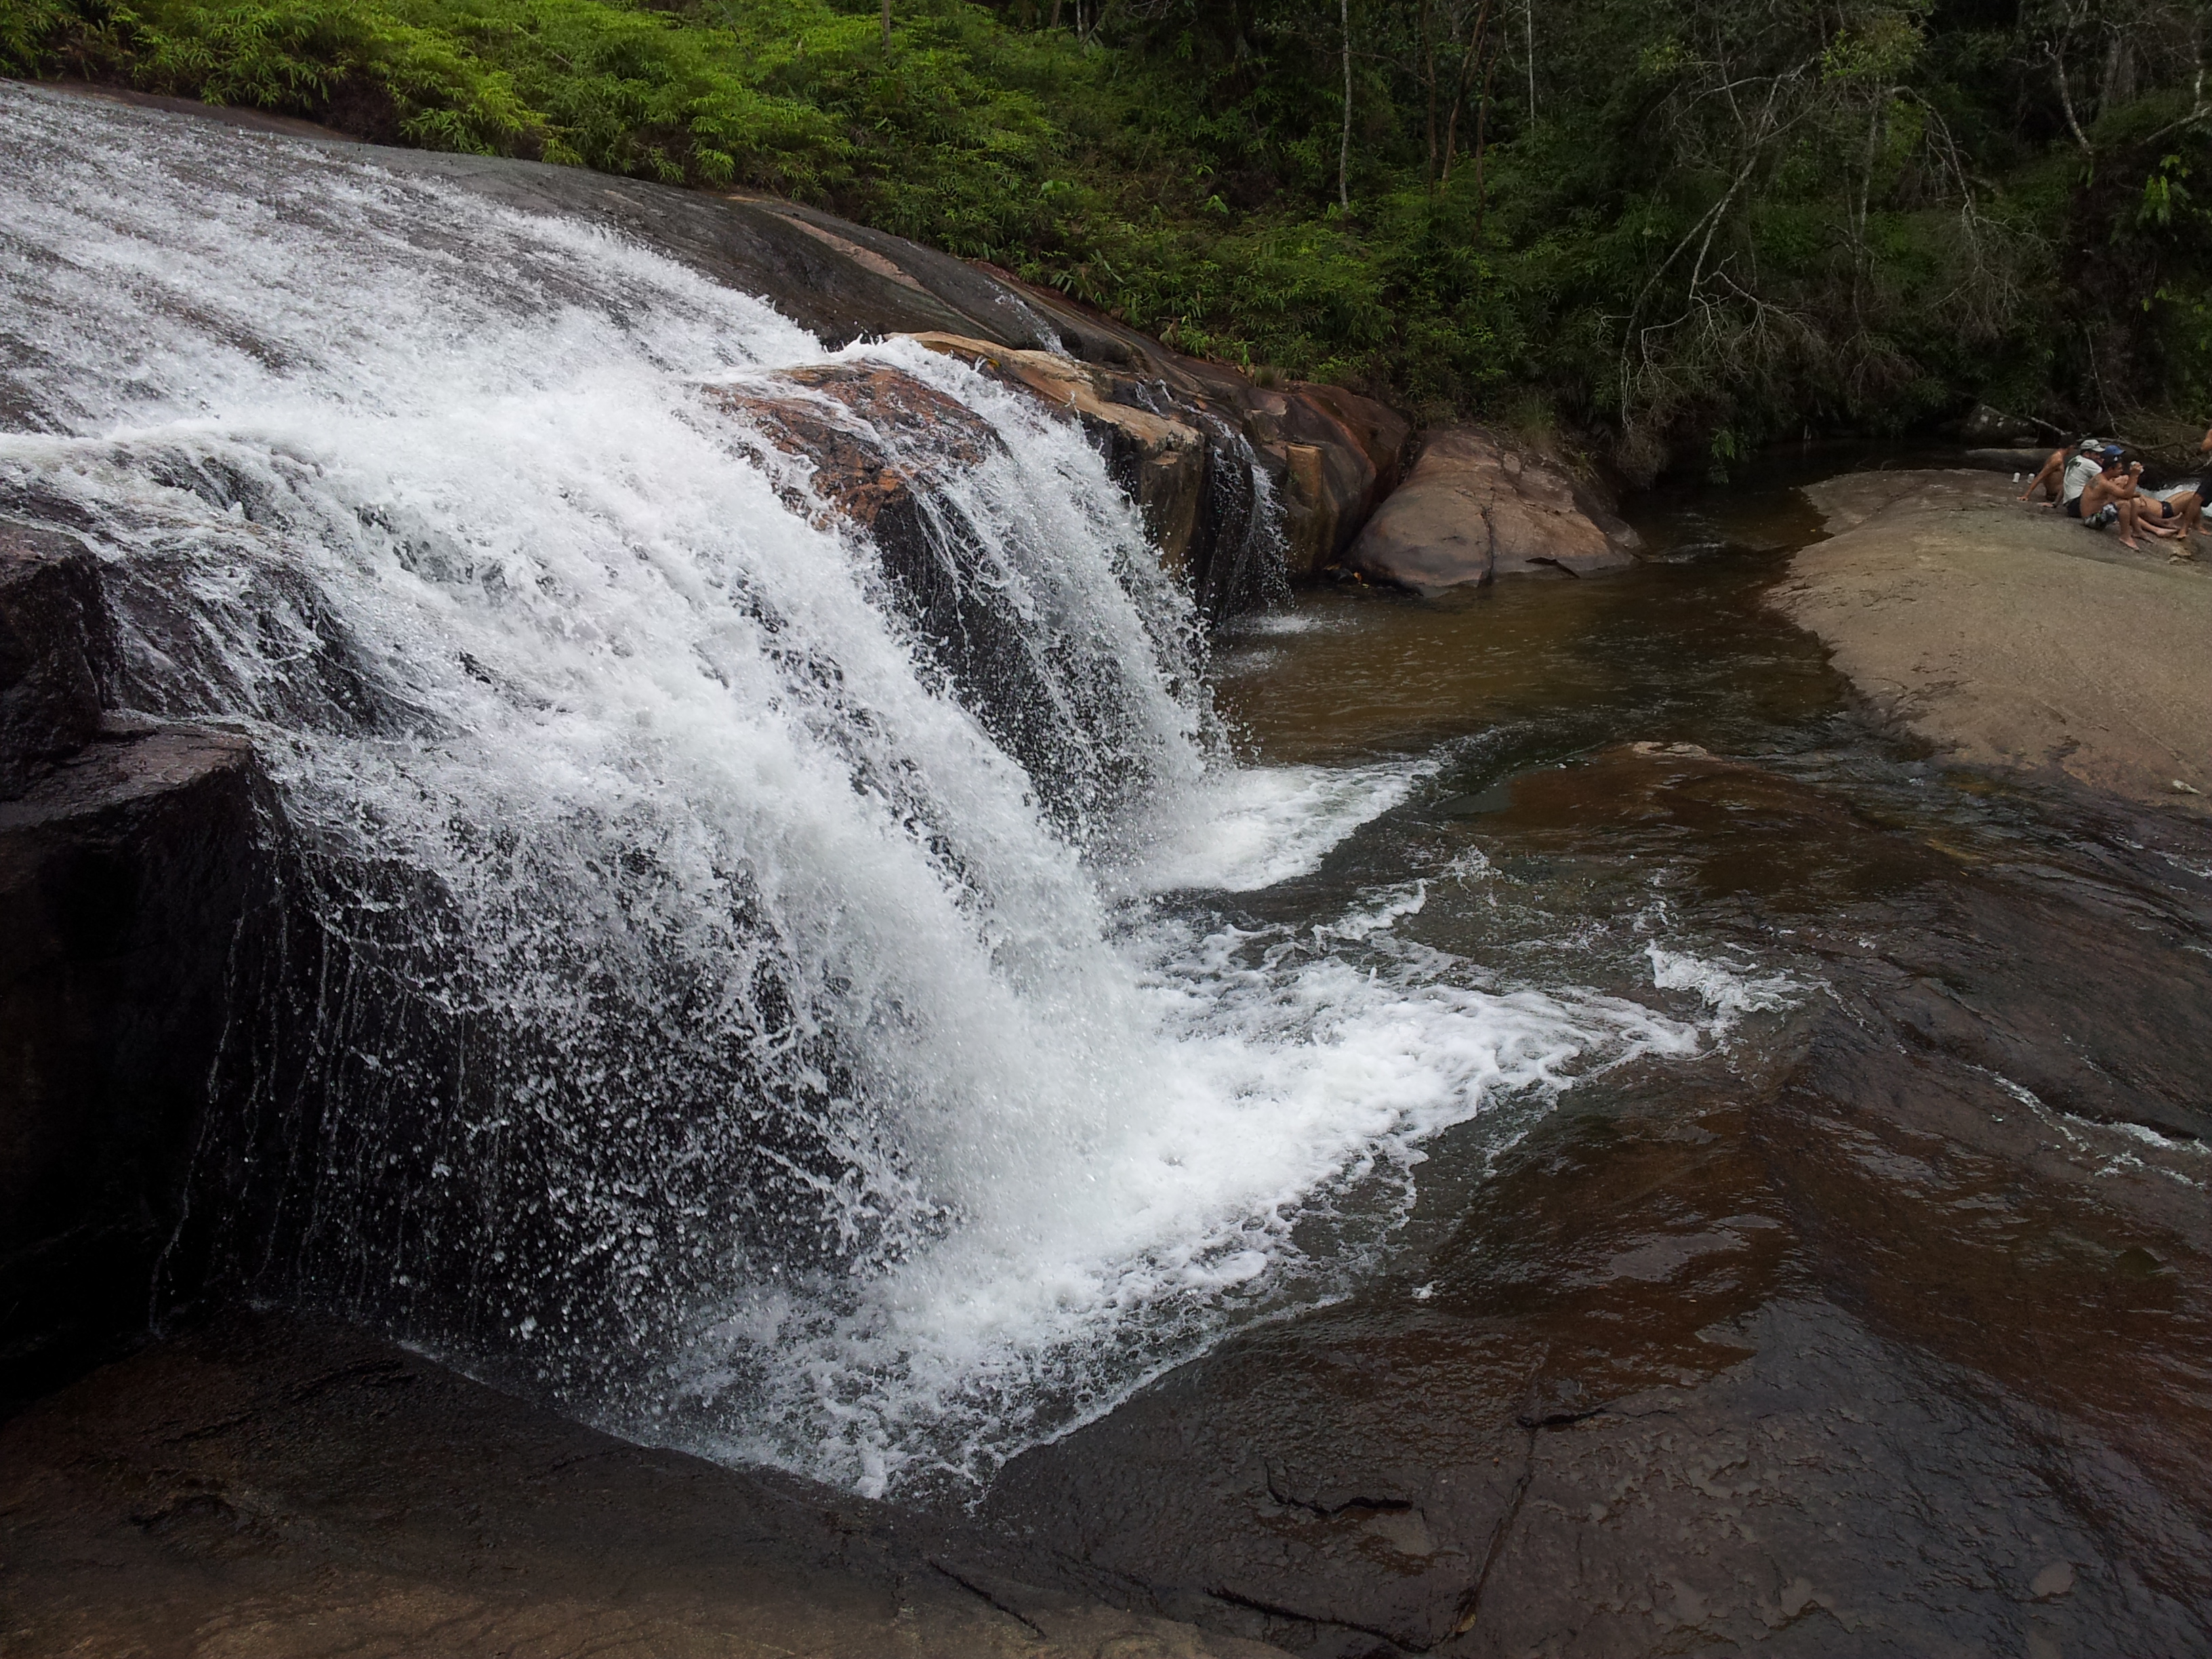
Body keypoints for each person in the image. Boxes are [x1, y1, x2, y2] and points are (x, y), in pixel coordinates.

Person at [2020, 436, 2106, 506]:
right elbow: (2041, 475)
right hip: (2054, 494)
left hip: (2058, 493)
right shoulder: (2057, 460)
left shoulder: (2058, 456)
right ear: (2071, 447)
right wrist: (2026, 495)